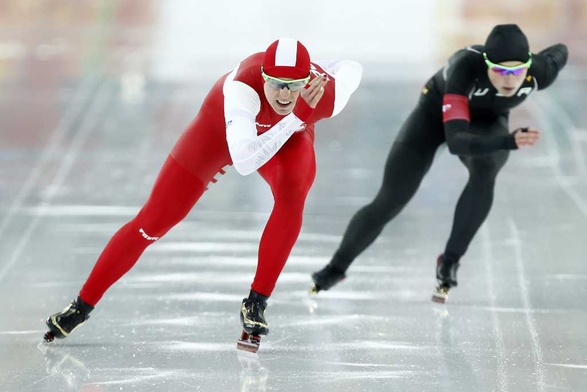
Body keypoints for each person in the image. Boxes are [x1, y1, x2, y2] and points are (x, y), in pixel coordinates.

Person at [44, 38, 363, 351]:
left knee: (294, 195)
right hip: (218, 135)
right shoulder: (243, 88)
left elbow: (352, 68)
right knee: (153, 222)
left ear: (308, 81)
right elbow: (245, 160)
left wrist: (322, 73)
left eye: (293, 85)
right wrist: (296, 116)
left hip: (288, 140)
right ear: (263, 78)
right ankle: (81, 306)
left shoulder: (328, 95)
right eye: (276, 83)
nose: (283, 94)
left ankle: (256, 302)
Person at [310, 24, 568, 303]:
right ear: (486, 64)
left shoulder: (541, 71)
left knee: (486, 171)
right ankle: (336, 267)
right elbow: (457, 142)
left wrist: (503, 138)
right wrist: (508, 141)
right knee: (391, 199)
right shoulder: (465, 67)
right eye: (500, 71)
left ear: (529, 66)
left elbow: (560, 52)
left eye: (516, 71)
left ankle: (450, 260)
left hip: (488, 121)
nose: (509, 80)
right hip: (433, 117)